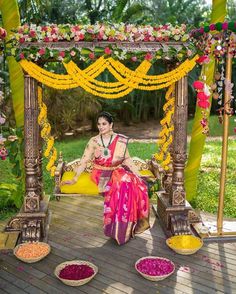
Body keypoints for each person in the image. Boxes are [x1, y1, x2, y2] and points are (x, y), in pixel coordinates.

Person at [61, 111, 150, 245]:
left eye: (104, 124)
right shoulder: (94, 141)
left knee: (132, 183)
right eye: (99, 124)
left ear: (111, 125)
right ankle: (116, 228)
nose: (101, 127)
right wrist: (74, 178)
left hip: (116, 171)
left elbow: (128, 159)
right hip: (100, 173)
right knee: (122, 183)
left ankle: (122, 229)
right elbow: (84, 161)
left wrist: (138, 175)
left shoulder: (120, 140)